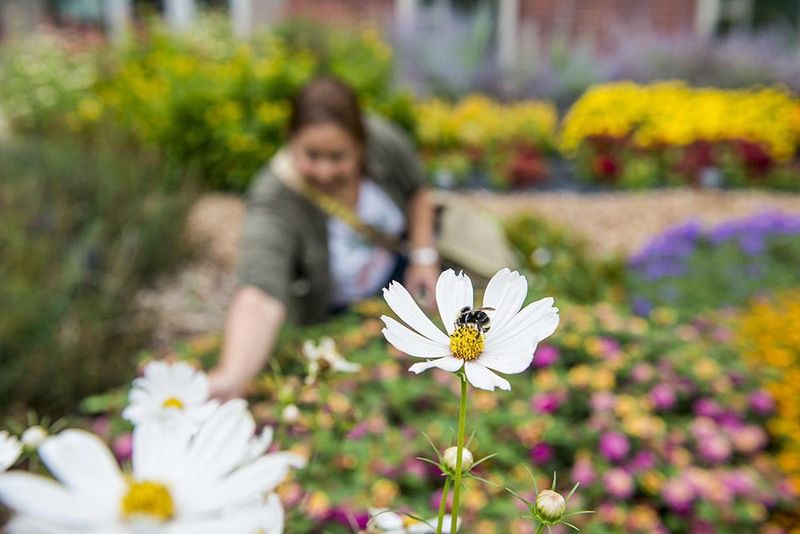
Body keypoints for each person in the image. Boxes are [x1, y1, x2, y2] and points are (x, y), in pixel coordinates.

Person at [208, 76, 440, 399]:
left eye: (338, 157)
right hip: (342, 315)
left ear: (362, 144)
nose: (324, 172)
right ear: (291, 141)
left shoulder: (384, 143)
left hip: (400, 278)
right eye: (312, 155)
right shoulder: (275, 198)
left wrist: (424, 258)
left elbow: (417, 192)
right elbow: (259, 294)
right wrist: (231, 377)